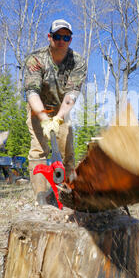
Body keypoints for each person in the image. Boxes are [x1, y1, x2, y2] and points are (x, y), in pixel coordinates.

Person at [24, 19, 87, 203]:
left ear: (70, 39)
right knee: (38, 150)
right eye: (58, 36)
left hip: (61, 108)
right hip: (38, 108)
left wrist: (58, 119)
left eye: (66, 37)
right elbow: (31, 92)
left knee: (67, 152)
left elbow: (71, 94)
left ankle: (69, 197)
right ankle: (41, 198)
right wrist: (44, 119)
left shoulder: (78, 62)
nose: (62, 40)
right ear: (49, 37)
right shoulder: (35, 59)